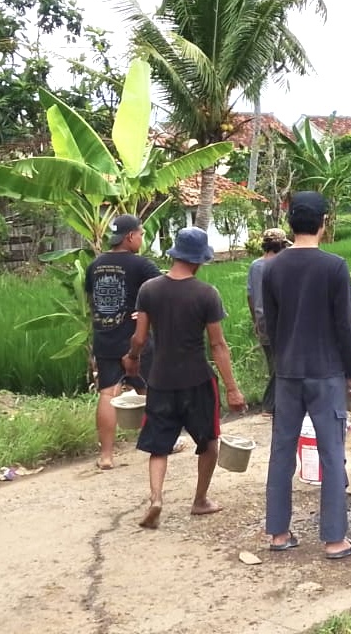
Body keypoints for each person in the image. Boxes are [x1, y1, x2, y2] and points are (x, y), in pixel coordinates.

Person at [261, 191, 351, 560]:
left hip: (287, 373)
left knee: (281, 451)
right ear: (324, 222)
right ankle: (335, 539)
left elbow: (270, 326)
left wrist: (280, 365)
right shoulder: (334, 266)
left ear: (291, 223)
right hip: (326, 373)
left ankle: (278, 533)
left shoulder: (271, 267)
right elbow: (344, 326)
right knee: (332, 453)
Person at [123, 227, 246, 529]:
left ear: (175, 254)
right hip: (197, 381)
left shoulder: (149, 290)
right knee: (209, 442)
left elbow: (139, 338)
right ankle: (200, 500)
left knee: (158, 445)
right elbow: (217, 345)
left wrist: (133, 360)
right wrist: (232, 389)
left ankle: (156, 498)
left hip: (161, 380)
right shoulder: (206, 294)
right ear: (200, 260)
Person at [84, 214, 161, 471]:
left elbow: (91, 299)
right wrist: (146, 313)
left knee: (108, 392)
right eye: (140, 234)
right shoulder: (141, 265)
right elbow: (162, 292)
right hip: (134, 339)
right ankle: (162, 443)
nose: (141, 238)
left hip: (104, 337)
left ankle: (106, 456)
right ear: (130, 236)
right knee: (150, 390)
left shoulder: (95, 265)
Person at [247, 228, 292, 416]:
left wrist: (255, 321)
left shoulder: (255, 266)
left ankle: (278, 404)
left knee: (274, 363)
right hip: (279, 321)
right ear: (281, 246)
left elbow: (250, 296)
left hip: (262, 320)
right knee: (282, 364)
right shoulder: (282, 265)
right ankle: (269, 405)